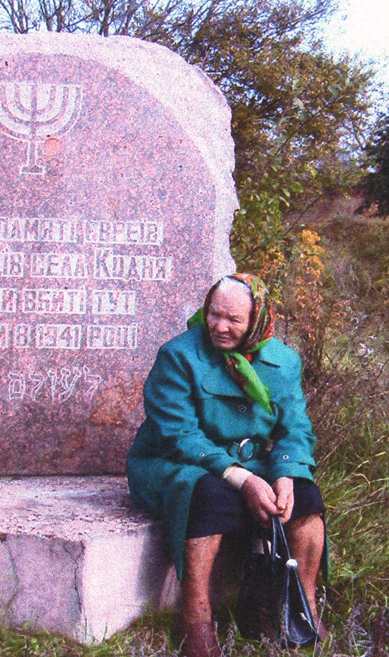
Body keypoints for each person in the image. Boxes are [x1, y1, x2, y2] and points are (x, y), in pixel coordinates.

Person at [126, 274, 326, 657]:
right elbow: (178, 434)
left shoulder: (284, 362)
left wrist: (286, 473)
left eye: (233, 319)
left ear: (256, 319)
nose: (219, 326)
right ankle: (196, 620)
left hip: (252, 464)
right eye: (214, 314)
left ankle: (301, 608)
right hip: (174, 463)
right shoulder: (178, 356)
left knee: (305, 497)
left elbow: (296, 429)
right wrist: (242, 478)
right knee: (210, 495)